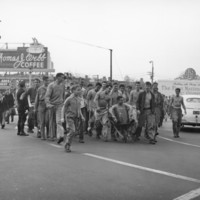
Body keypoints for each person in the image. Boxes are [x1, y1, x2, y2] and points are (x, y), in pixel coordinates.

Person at [61, 84, 85, 152]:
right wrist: (62, 117)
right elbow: (64, 107)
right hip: (69, 117)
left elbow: (79, 109)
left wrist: (82, 116)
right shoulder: (69, 98)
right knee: (72, 131)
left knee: (73, 132)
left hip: (76, 118)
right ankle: (67, 145)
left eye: (80, 90)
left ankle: (68, 143)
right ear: (73, 91)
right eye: (78, 90)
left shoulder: (79, 98)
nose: (80, 91)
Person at [45, 73, 65, 143]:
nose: (63, 79)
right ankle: (51, 136)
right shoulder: (51, 85)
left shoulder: (62, 85)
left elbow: (63, 95)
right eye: (62, 77)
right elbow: (47, 96)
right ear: (57, 77)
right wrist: (48, 103)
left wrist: (63, 103)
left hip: (59, 105)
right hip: (52, 105)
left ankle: (60, 136)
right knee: (51, 121)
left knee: (58, 121)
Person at [35, 76, 50, 140]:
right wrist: (35, 108)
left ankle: (48, 134)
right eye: (46, 80)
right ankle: (42, 135)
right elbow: (37, 99)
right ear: (43, 81)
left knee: (47, 121)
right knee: (42, 121)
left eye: (48, 80)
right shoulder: (40, 89)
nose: (47, 82)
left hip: (48, 105)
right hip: (41, 105)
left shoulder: (50, 88)